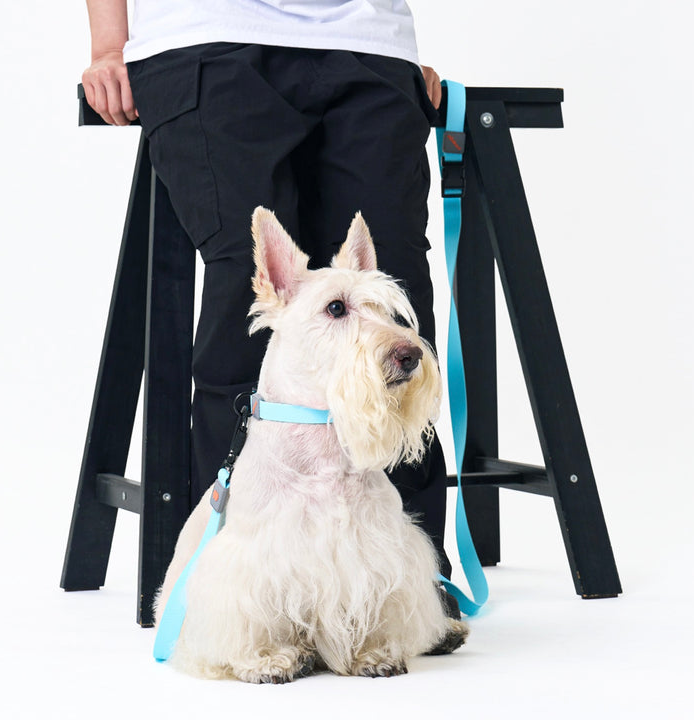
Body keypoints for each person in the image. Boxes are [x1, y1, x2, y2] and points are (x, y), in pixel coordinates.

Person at [82, 0, 453, 579]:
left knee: (388, 288)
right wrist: (109, 46)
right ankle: (234, 571)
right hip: (207, 36)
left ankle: (403, 577)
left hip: (366, 40)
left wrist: (394, 54)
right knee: (250, 290)